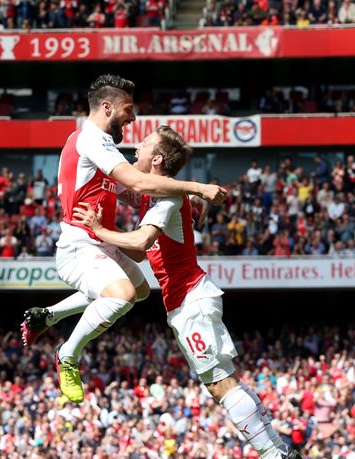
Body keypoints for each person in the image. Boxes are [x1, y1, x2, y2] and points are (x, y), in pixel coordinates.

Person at [72, 125, 301, 459]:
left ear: (157, 160)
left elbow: (141, 243)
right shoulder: (161, 196)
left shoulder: (165, 201)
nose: (137, 148)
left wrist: (99, 230)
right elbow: (140, 200)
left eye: (144, 146)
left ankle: (272, 458)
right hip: (188, 302)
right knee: (221, 382)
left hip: (191, 300)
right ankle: (278, 452)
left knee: (219, 382)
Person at [20, 75, 226, 404]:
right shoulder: (91, 140)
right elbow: (140, 182)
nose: (133, 119)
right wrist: (197, 188)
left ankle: (48, 315)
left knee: (139, 291)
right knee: (122, 294)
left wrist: (181, 205)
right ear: (107, 107)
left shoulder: (99, 146)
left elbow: (134, 191)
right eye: (128, 110)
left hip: (99, 242)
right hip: (79, 245)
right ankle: (68, 355)